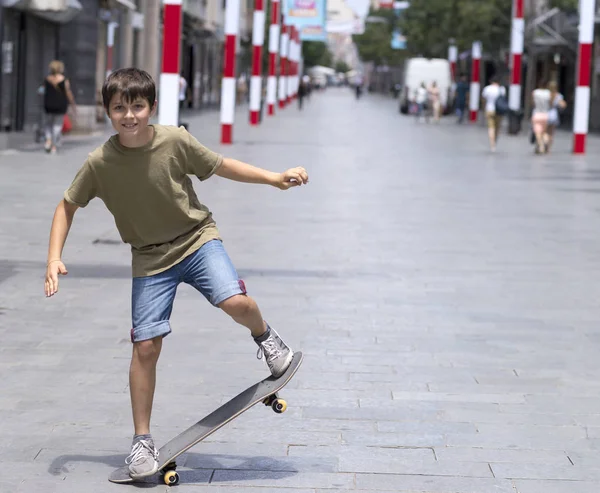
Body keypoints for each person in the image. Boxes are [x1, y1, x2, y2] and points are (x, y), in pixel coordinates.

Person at [43, 68, 308, 480]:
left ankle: (267, 339)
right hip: (149, 259)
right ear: (108, 111)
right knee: (145, 347)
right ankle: (141, 441)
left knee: (235, 301)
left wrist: (273, 179)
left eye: (137, 106)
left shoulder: (175, 141)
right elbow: (67, 205)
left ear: (150, 107)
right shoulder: (100, 163)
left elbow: (220, 165)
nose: (129, 116)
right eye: (119, 108)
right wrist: (53, 257)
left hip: (197, 240)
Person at [43, 60, 77, 154]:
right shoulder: (63, 79)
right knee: (57, 126)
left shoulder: (47, 79)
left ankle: (48, 141)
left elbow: (43, 90)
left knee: (48, 125)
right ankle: (54, 146)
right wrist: (73, 104)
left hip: (48, 105)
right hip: (60, 105)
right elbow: (68, 92)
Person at [481, 76, 506, 152]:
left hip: (489, 109)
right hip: (499, 110)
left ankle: (492, 145)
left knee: (491, 127)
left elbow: (483, 99)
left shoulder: (487, 89)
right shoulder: (502, 89)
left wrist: (484, 108)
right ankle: (494, 141)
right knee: (497, 128)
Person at [531, 80, 552, 154]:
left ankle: (541, 146)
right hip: (545, 114)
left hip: (537, 114)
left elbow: (533, 103)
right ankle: (546, 141)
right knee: (544, 132)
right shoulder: (548, 93)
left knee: (537, 132)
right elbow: (550, 103)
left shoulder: (535, 92)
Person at [546, 80, 567, 153]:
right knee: (551, 133)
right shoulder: (558, 96)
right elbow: (563, 105)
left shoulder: (546, 94)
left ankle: (543, 143)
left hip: (545, 113)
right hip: (553, 114)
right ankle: (548, 148)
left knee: (545, 132)